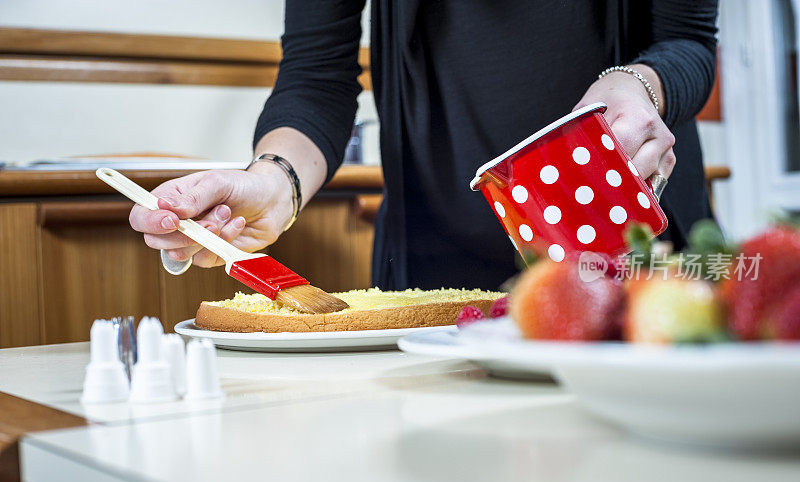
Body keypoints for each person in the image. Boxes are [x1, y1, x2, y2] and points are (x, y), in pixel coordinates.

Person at [129, 1, 719, 290]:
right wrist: (272, 181)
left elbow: (689, 42)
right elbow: (316, 77)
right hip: (434, 263)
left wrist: (638, 85)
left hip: (642, 255)